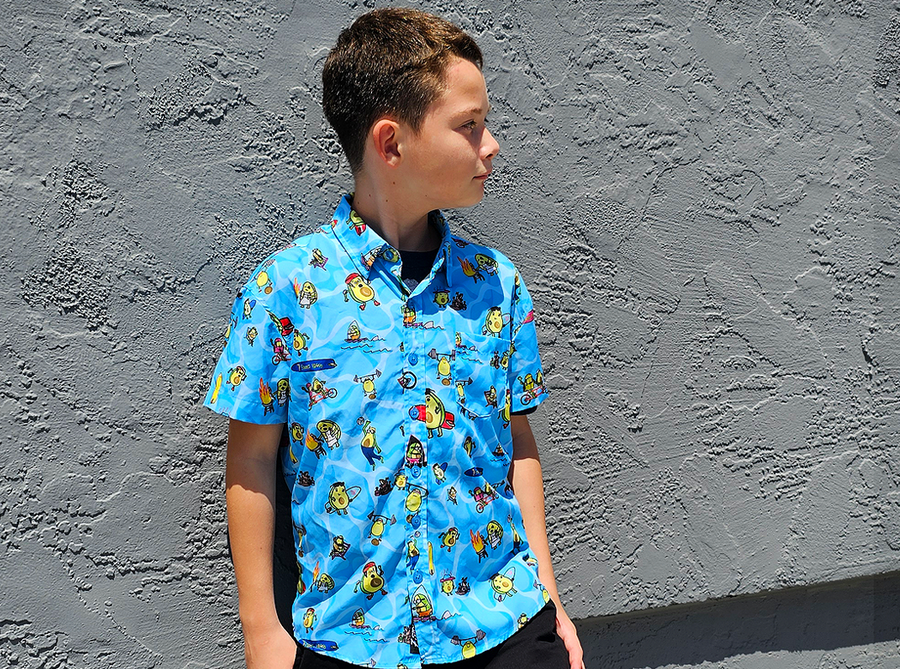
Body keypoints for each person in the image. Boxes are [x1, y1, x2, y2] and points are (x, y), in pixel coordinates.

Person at [204, 8, 584, 669]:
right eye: (469, 126)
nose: (491, 144)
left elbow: (517, 443)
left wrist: (549, 596)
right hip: (348, 642)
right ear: (391, 144)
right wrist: (261, 630)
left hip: (502, 630)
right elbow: (251, 462)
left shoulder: (496, 286)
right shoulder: (287, 291)